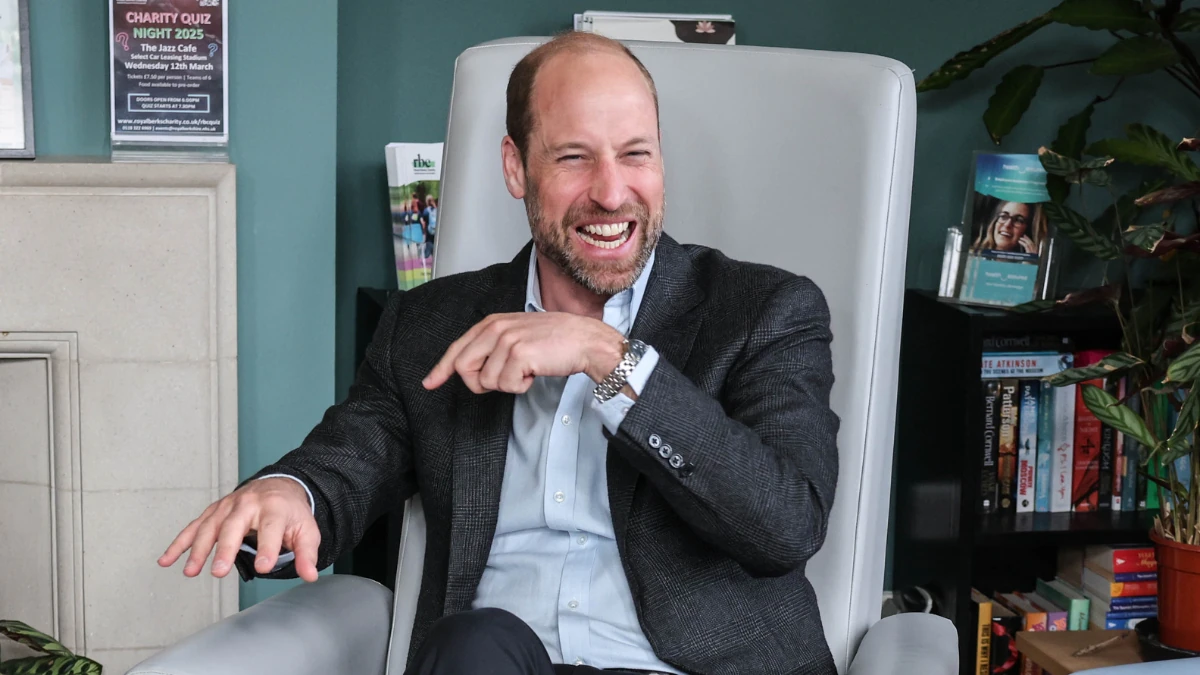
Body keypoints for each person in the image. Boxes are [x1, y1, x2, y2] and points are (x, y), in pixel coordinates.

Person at [159, 30, 839, 675]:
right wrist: (291, 493)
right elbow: (347, 464)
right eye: (573, 158)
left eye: (636, 154)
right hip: (494, 661)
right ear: (516, 167)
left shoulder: (763, 311)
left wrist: (608, 357)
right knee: (473, 640)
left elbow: (785, 526)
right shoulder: (431, 325)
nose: (611, 192)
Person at [972, 200, 1040, 255]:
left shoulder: (1031, 263)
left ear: (1027, 231)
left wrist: (1030, 261)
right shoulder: (972, 256)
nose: (1007, 225)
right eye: (1003, 216)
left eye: (1018, 220)